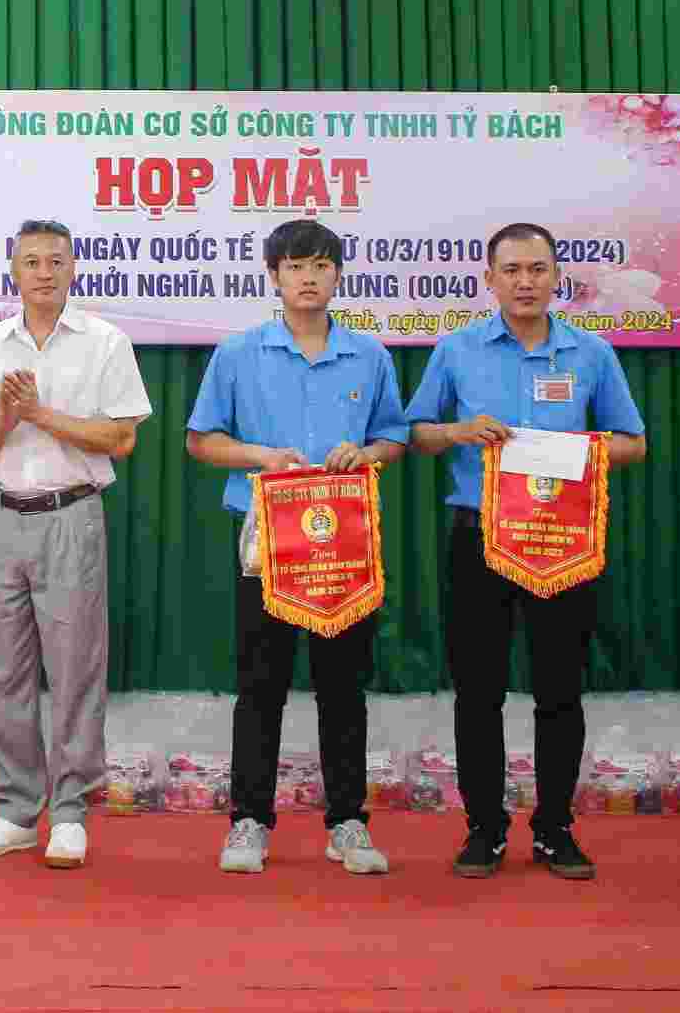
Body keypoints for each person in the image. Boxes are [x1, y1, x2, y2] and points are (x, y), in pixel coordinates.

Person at [405, 222, 647, 882]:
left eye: (537, 269)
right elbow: (417, 433)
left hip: (561, 539)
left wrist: (571, 451)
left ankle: (555, 828)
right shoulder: (457, 349)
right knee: (477, 691)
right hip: (477, 536)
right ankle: (484, 827)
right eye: (511, 270)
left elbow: (633, 442)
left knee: (560, 691)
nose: (525, 282)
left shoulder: (590, 354)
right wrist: (456, 430)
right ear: (489, 279)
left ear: (556, 276)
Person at [185, 220, 409, 877]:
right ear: (274, 276)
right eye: (294, 266)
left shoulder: (370, 357)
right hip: (267, 545)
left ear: (338, 274)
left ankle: (348, 823)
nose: (307, 277)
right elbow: (201, 441)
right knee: (262, 686)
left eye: (319, 265)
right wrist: (260, 456)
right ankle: (249, 820)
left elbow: (393, 439)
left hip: (343, 545)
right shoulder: (239, 354)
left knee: (345, 687)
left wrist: (364, 453)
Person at [0, 219, 151, 870]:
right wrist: (6, 420)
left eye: (54, 261)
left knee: (75, 670)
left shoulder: (105, 342)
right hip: (5, 516)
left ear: (72, 269)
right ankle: (13, 810)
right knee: (6, 672)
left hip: (72, 516)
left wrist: (40, 416)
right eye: (30, 261)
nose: (42, 272)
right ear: (13, 271)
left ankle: (69, 812)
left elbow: (121, 439)